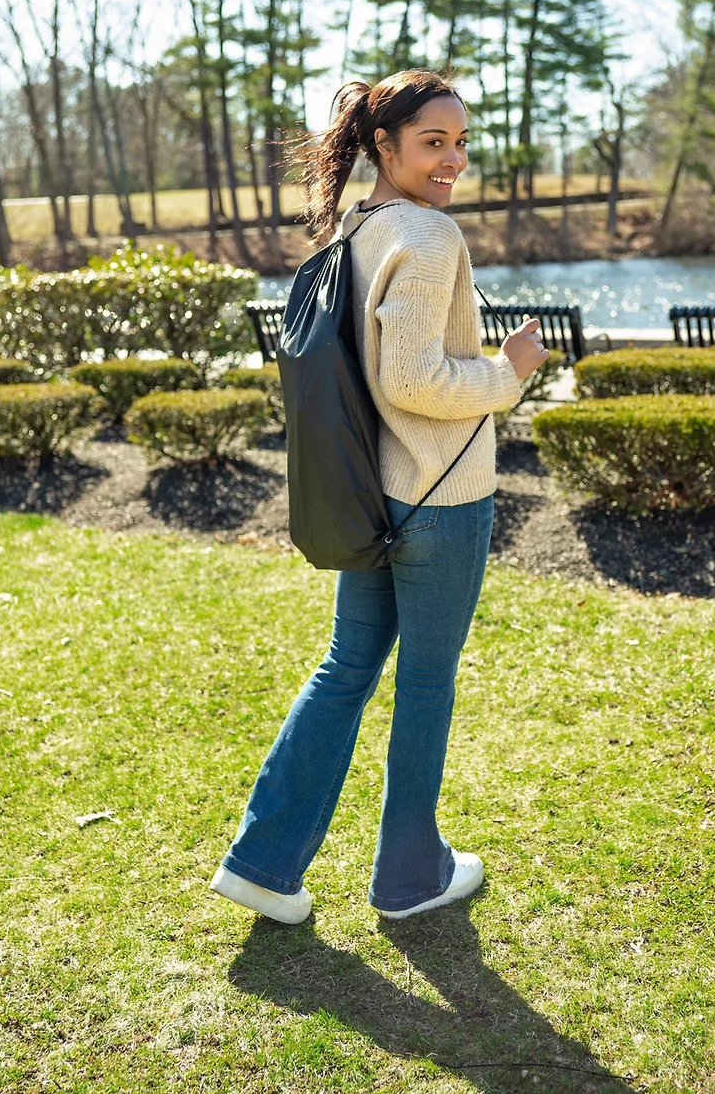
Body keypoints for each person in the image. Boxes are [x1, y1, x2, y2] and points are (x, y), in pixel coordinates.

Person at [210, 69, 549, 924]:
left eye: (462, 142)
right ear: (382, 145)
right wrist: (506, 375)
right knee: (425, 683)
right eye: (434, 142)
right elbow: (411, 379)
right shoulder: (428, 238)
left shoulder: (354, 230)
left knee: (347, 666)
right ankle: (408, 877)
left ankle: (263, 859)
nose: (453, 160)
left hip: (372, 496)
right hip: (438, 499)